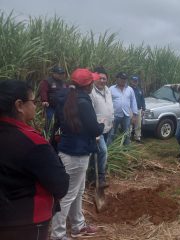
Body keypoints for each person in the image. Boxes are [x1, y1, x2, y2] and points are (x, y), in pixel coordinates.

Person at [0, 80, 69, 240]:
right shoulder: (33, 142)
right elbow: (60, 185)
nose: (35, 106)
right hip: (28, 222)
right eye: (33, 101)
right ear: (19, 105)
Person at [50, 68, 105, 239]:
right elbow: (94, 128)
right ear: (88, 85)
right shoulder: (83, 101)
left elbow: (69, 123)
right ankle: (57, 235)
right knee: (67, 195)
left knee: (78, 191)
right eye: (92, 82)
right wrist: (101, 126)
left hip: (69, 148)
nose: (93, 85)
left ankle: (77, 225)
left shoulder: (65, 96)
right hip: (77, 153)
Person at [89, 66, 114, 188]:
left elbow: (109, 105)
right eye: (100, 78)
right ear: (95, 78)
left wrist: (112, 119)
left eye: (104, 78)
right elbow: (90, 112)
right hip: (97, 129)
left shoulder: (108, 90)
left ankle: (95, 173)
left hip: (108, 127)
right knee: (103, 151)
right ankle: (101, 176)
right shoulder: (91, 92)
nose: (102, 81)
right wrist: (95, 131)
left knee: (102, 153)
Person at [109, 72, 138, 145]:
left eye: (125, 79)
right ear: (117, 79)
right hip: (114, 115)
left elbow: (133, 102)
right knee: (112, 133)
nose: (123, 80)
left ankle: (126, 149)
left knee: (126, 133)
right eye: (122, 78)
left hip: (126, 115)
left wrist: (135, 115)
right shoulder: (111, 89)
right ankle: (111, 149)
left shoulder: (130, 89)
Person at [38, 66, 67, 134]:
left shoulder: (63, 82)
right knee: (50, 122)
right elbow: (43, 91)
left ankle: (57, 136)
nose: (61, 75)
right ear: (54, 73)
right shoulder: (47, 81)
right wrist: (44, 100)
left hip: (61, 107)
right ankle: (47, 136)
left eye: (62, 73)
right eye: (59, 73)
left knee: (61, 122)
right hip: (51, 107)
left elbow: (67, 91)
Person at [130, 75, 146, 144]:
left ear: (137, 82)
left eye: (136, 81)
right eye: (133, 81)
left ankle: (137, 138)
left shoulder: (140, 90)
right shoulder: (129, 89)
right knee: (130, 124)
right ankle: (128, 138)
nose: (135, 82)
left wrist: (144, 109)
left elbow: (142, 100)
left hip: (138, 109)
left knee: (138, 124)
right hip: (130, 109)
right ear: (131, 81)